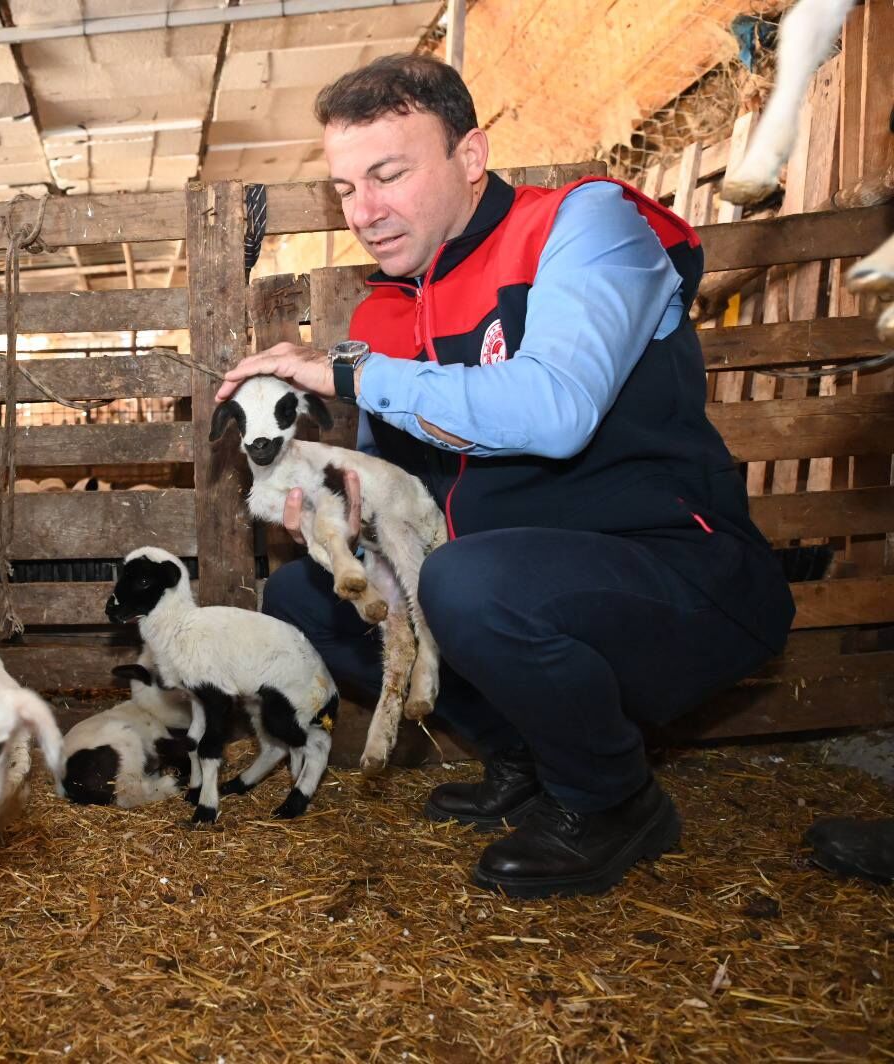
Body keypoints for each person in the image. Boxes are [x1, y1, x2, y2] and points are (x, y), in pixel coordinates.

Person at [218, 55, 795, 898]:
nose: (365, 212)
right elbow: (401, 486)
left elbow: (557, 412)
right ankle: (529, 751)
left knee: (465, 579)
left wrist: (351, 375)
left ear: (471, 155)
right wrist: (327, 509)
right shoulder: (384, 311)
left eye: (389, 174)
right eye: (346, 188)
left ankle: (612, 799)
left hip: (678, 581)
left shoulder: (582, 225)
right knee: (312, 598)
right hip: (504, 594)